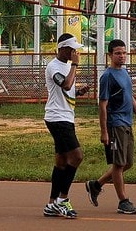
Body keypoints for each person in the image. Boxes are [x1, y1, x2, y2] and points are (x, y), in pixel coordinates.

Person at [85, 38, 136, 215]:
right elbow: (102, 105)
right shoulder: (107, 76)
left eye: (124, 53)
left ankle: (96, 185)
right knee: (119, 164)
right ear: (110, 55)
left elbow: (130, 97)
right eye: (118, 53)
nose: (122, 56)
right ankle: (123, 201)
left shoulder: (125, 72)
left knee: (127, 163)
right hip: (115, 125)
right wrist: (104, 131)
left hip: (127, 123)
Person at [43, 33, 90, 219]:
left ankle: (51, 203)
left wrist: (78, 92)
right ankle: (62, 200)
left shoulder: (66, 66)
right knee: (77, 156)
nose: (74, 52)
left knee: (62, 162)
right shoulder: (53, 66)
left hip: (65, 116)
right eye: (71, 49)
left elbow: (68, 90)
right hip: (57, 118)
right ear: (62, 48)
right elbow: (65, 84)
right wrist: (75, 66)